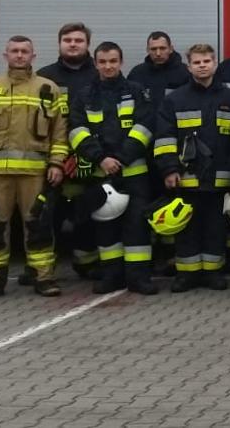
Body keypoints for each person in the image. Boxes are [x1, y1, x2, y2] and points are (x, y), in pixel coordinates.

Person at [0, 35, 68, 300]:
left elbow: (60, 133)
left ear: (34, 56)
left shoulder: (49, 89)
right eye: (14, 51)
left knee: (38, 225)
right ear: (5, 55)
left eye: (24, 51)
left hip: (35, 173)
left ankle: (43, 278)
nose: (19, 55)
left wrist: (56, 163)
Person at [154, 43, 230, 292]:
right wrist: (169, 169)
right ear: (189, 66)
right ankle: (186, 274)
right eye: (197, 62)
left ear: (215, 63)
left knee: (216, 229)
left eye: (206, 61)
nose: (202, 66)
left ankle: (213, 272)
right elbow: (164, 138)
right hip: (187, 177)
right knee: (187, 227)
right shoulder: (174, 100)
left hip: (222, 177)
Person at [68, 41, 160, 295]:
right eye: (103, 62)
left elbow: (145, 128)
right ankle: (112, 275)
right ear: (95, 63)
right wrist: (101, 159)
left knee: (136, 229)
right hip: (101, 175)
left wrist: (120, 158)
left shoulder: (137, 92)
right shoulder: (84, 95)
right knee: (105, 228)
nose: (108, 66)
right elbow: (76, 131)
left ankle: (139, 277)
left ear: (121, 62)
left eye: (113, 61)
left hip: (134, 175)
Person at [38, 21, 98, 282]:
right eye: (68, 40)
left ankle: (87, 263)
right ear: (59, 43)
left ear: (88, 45)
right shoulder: (44, 77)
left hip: (89, 156)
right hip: (51, 157)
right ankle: (41, 269)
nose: (73, 44)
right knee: (46, 215)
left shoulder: (99, 76)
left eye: (78, 40)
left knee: (88, 213)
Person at [129, 32, 191, 102]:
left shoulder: (185, 72)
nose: (158, 53)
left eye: (162, 48)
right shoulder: (137, 73)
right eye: (153, 49)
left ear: (171, 49)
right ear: (147, 50)